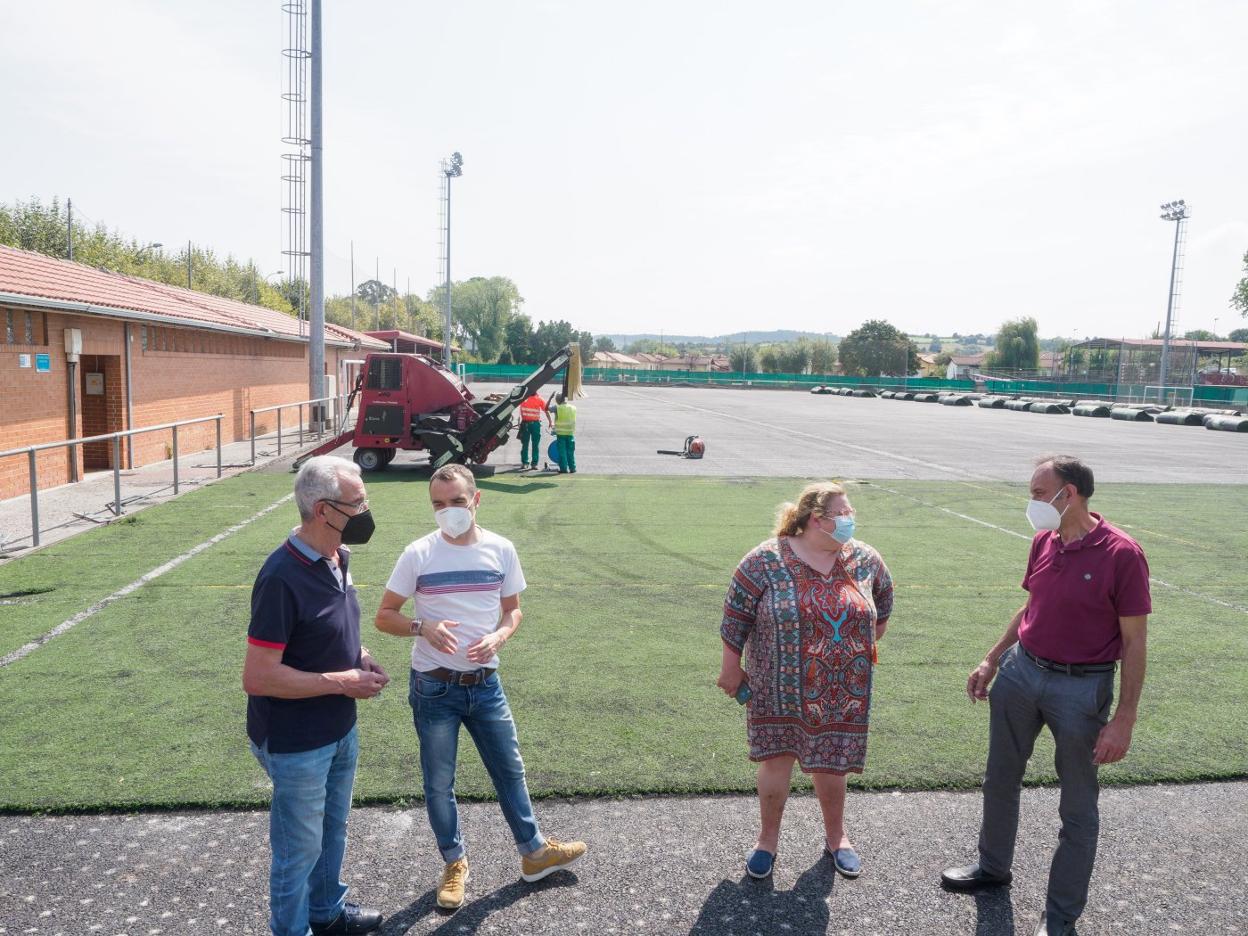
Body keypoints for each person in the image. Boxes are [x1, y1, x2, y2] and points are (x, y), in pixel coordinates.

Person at [941, 456, 1150, 936]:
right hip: (1021, 672)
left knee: (1077, 805)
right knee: (999, 778)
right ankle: (993, 868)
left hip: (1082, 688)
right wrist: (993, 658)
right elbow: (1033, 601)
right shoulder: (1044, 540)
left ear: (1069, 494)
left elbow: (1135, 641)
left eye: (1039, 493)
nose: (1032, 502)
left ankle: (1060, 918)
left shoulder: (1122, 554)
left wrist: (1124, 718)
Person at [374, 463, 587, 910]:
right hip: (434, 687)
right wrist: (422, 627)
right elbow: (384, 615)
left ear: (476, 499)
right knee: (438, 782)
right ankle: (454, 864)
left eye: (455, 501)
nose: (447, 511)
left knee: (510, 770)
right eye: (438, 504)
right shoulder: (418, 553)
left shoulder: (501, 549)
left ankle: (534, 853)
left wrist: (500, 635)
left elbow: (514, 610)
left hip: (486, 683)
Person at [242, 456, 389, 936]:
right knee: (297, 851)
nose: (367, 507)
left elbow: (326, 630)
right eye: (358, 500)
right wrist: (343, 682)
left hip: (339, 727)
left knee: (332, 830)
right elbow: (259, 677)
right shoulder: (281, 576)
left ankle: (325, 912)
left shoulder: (339, 556)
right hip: (297, 740)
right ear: (325, 510)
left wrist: (359, 654)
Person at [717, 481, 893, 881]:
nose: (852, 519)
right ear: (817, 519)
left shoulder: (865, 558)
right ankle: (767, 843)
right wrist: (731, 668)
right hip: (776, 686)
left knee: (832, 765)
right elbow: (735, 617)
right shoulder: (764, 560)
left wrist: (850, 647)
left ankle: (837, 839)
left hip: (841, 691)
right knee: (776, 760)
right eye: (844, 513)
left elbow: (882, 606)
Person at [546, 390, 577, 474]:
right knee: (570, 452)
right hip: (570, 434)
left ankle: (563, 469)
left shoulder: (557, 408)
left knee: (562, 452)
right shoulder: (573, 408)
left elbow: (546, 408)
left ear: (557, 400)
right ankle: (572, 468)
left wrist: (550, 398)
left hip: (561, 434)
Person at [517, 390, 546, 470]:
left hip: (526, 424)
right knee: (534, 444)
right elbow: (546, 410)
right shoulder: (539, 399)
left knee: (526, 444)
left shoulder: (524, 398)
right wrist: (551, 421)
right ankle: (533, 464)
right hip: (534, 424)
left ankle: (526, 463)